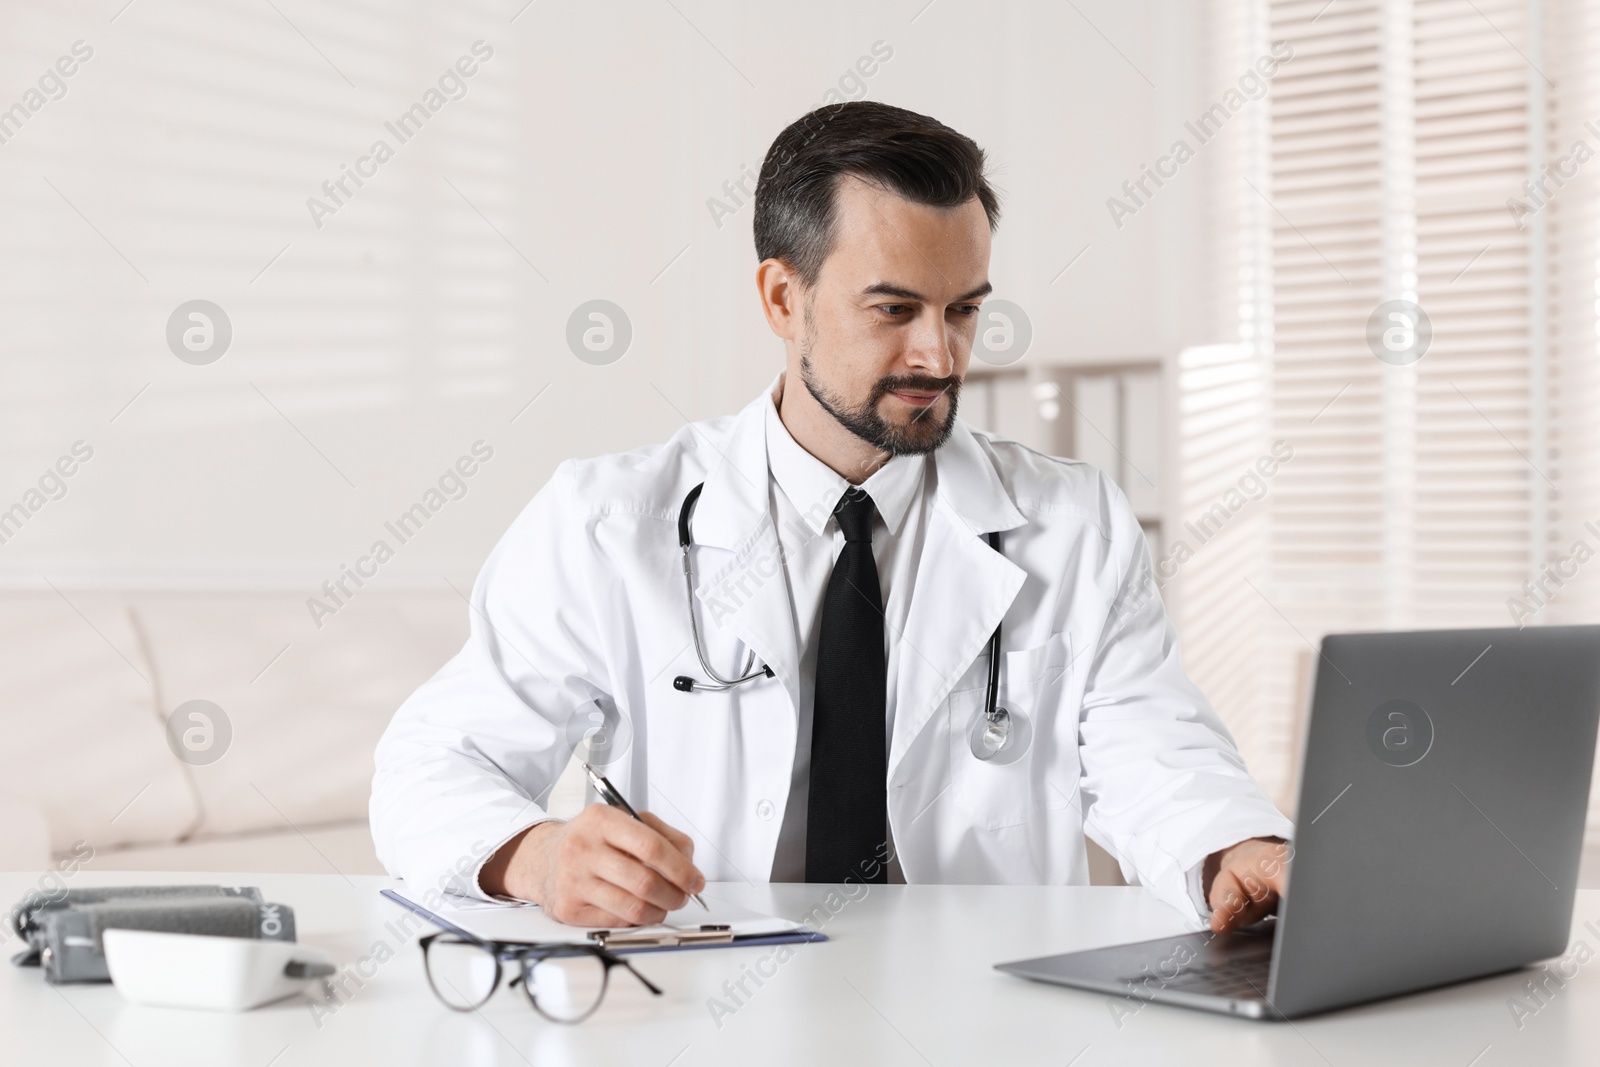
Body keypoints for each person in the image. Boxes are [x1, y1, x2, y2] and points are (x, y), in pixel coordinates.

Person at [371, 101, 1292, 935]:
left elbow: (1153, 747)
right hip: (707, 998)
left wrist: (1231, 850)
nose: (939, 352)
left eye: (964, 310)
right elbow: (433, 766)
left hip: (980, 1005)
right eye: (894, 309)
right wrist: (537, 857)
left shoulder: (1070, 519)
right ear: (783, 297)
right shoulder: (608, 520)